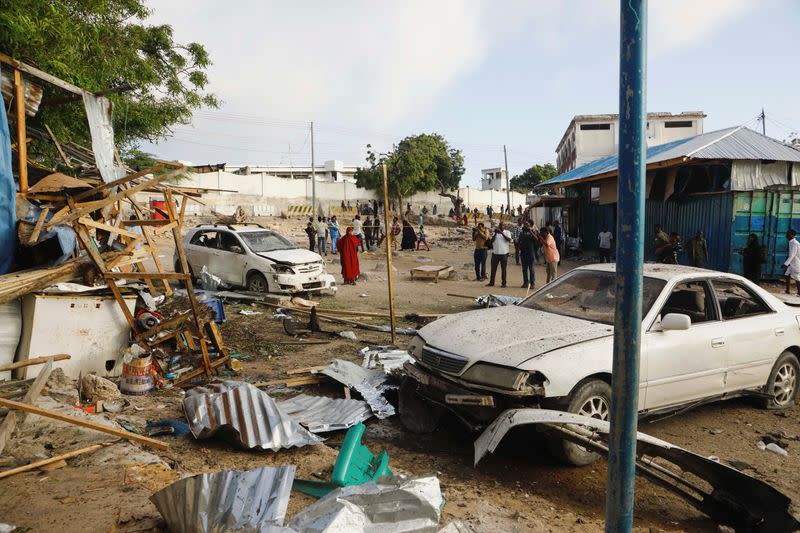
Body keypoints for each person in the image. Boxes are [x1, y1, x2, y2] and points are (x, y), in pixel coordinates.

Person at [487, 222, 512, 288]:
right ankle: (491, 282)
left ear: (504, 226)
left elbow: (509, 240)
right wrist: (495, 234)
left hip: (504, 254)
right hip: (495, 254)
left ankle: (504, 283)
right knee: (493, 269)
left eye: (502, 225)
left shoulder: (507, 232)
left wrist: (501, 233)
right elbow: (491, 242)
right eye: (500, 225)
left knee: (503, 269)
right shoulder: (495, 233)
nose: (501, 227)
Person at [518, 223, 537, 288]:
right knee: (524, 269)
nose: (526, 227)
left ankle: (532, 283)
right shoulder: (521, 233)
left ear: (529, 227)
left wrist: (530, 231)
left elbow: (536, 239)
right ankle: (525, 282)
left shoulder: (532, 232)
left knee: (531, 269)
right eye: (525, 226)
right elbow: (519, 241)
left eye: (527, 226)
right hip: (523, 253)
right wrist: (520, 247)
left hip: (530, 253)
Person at [784, 229, 800, 295]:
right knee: (787, 275)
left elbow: (792, 255)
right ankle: (787, 290)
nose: (786, 235)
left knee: (797, 278)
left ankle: (799, 292)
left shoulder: (795, 243)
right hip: (791, 263)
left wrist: (785, 264)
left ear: (792, 235)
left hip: (796, 263)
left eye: (788, 234)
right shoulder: (791, 242)